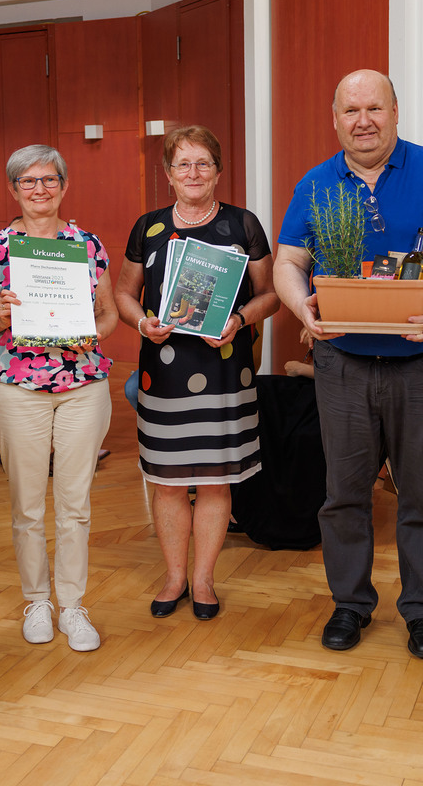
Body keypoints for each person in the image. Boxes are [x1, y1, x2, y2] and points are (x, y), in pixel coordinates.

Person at [273, 69, 423, 660]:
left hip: (421, 362)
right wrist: (303, 308)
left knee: (421, 494)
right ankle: (350, 603)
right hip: (342, 364)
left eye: (374, 108)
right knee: (344, 494)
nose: (363, 121)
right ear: (335, 119)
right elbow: (287, 263)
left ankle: (421, 610)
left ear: (395, 111)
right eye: (351, 110)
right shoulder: (316, 183)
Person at [114, 126, 279, 620]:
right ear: (168, 173)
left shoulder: (243, 225)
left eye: (203, 163)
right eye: (182, 164)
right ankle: (174, 578)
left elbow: (271, 295)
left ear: (218, 171)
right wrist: (141, 323)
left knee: (215, 481)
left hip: (225, 371)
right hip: (163, 375)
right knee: (166, 482)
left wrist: (239, 320)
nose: (193, 173)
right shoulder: (148, 227)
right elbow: (123, 293)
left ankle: (204, 580)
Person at [0, 145, 118, 652]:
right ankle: (37, 601)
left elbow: (108, 313)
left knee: (75, 505)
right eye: (28, 181)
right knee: (27, 506)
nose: (40, 189)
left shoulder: (87, 244)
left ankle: (74, 605)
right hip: (17, 387)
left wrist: (91, 335)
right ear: (13, 189)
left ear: (64, 185)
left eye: (49, 179)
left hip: (82, 385)